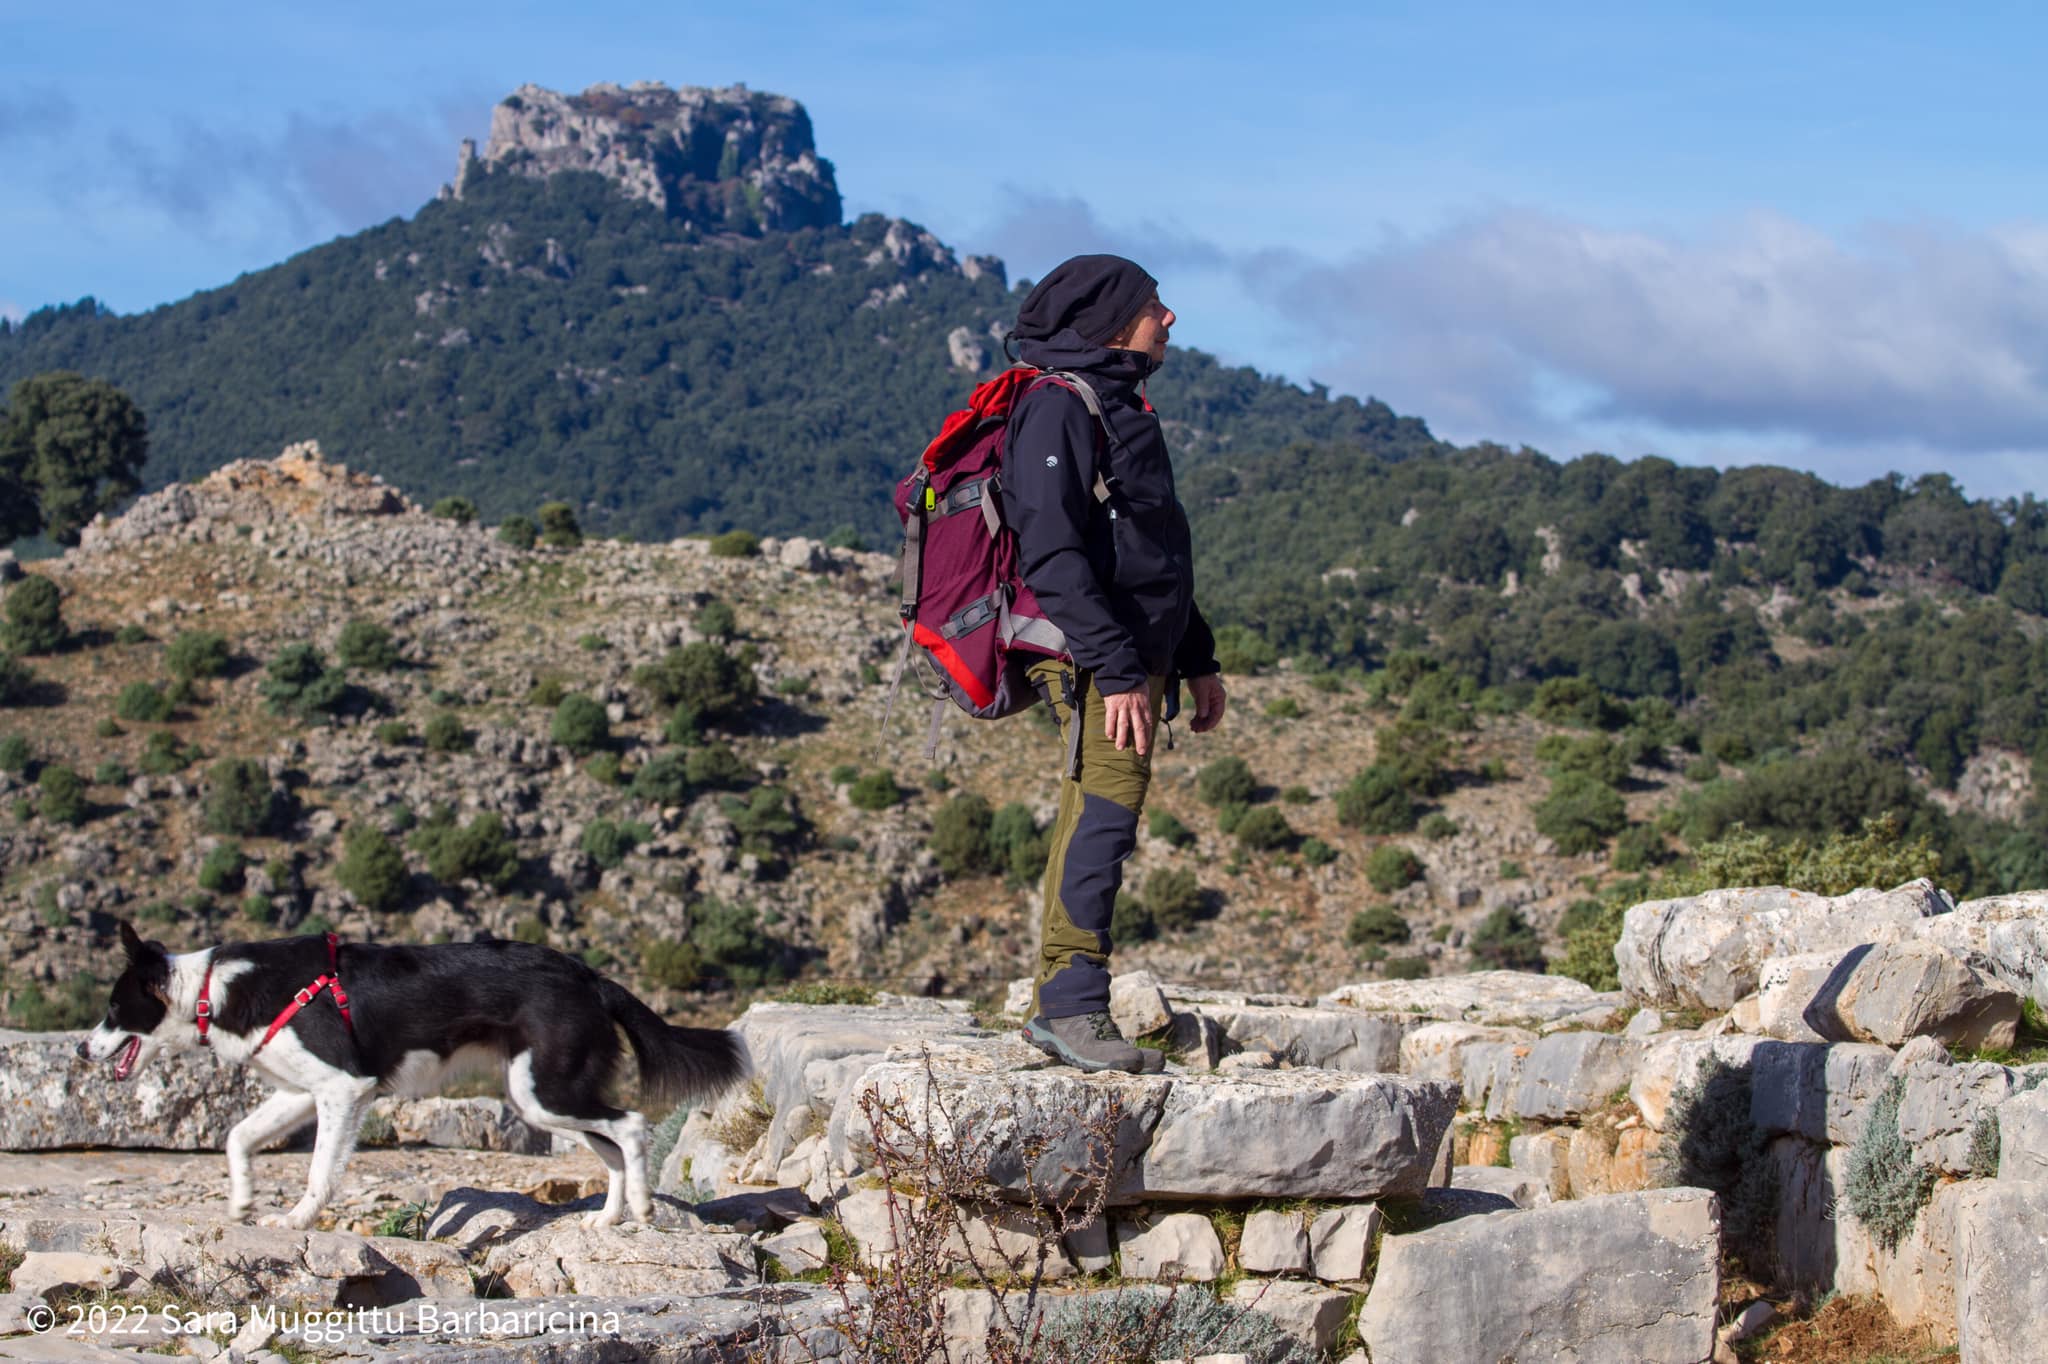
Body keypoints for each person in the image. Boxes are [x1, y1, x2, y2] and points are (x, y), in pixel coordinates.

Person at [1000, 253, 1227, 1073]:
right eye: (1154, 307)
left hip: (1136, 656)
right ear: (1109, 323)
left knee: (1095, 815)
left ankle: (1058, 1001)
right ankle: (1070, 1007)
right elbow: (1053, 553)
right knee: (1104, 817)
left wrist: (1195, 657)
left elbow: (1153, 549)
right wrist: (1122, 670)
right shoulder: (1059, 409)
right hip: (1102, 660)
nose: (1169, 320)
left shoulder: (1120, 405)